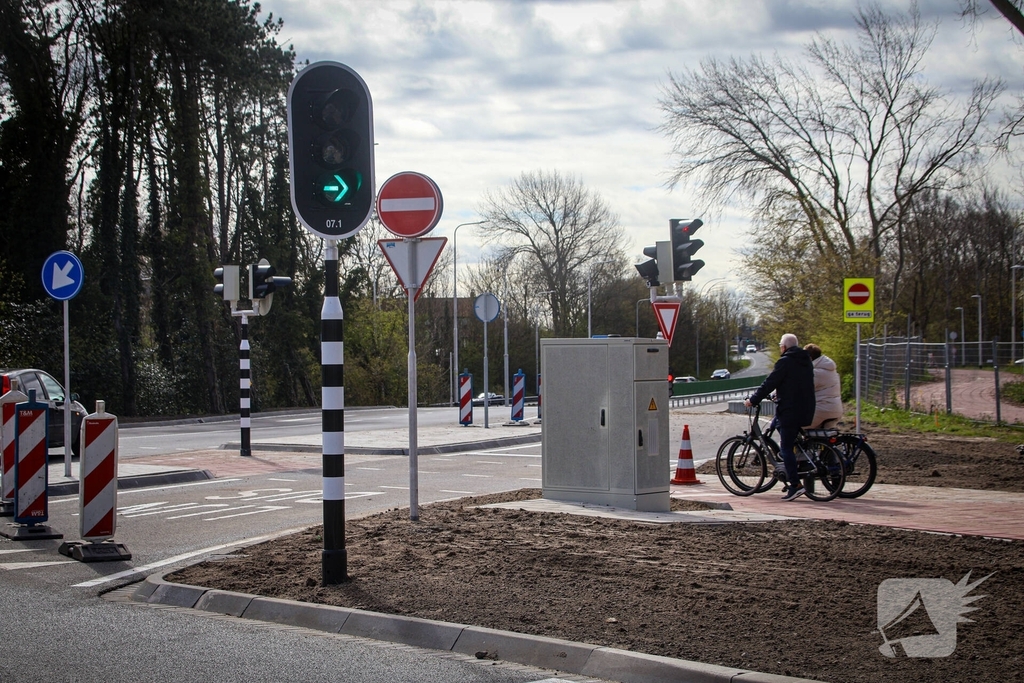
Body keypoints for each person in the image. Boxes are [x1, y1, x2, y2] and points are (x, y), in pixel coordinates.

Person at [744, 333, 815, 501]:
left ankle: (795, 485)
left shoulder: (785, 361)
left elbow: (770, 382)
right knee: (780, 428)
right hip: (806, 409)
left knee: (786, 448)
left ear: (784, 347)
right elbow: (794, 383)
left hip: (790, 410)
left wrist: (753, 400)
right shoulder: (805, 361)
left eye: (780, 346)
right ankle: (791, 468)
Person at [804, 343, 843, 429]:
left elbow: (801, 389)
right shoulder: (831, 370)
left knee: (790, 424)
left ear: (809, 358)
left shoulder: (815, 373)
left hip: (821, 410)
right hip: (836, 410)